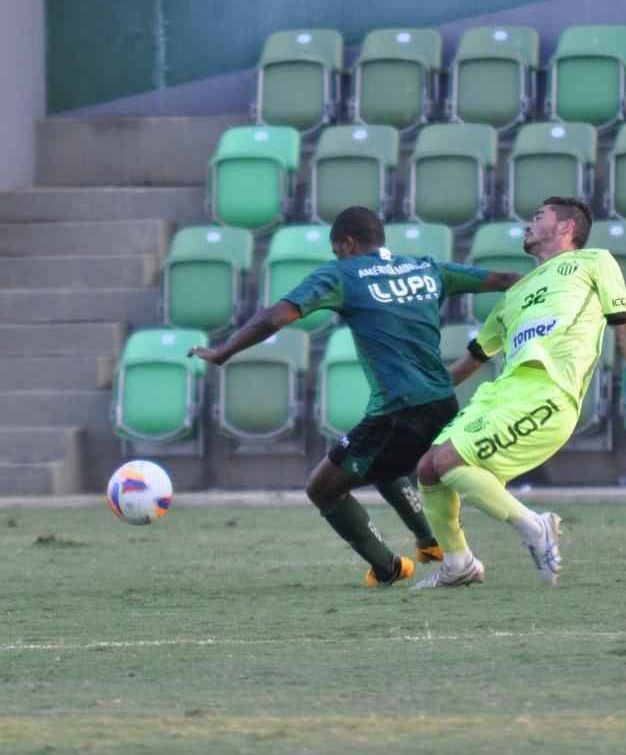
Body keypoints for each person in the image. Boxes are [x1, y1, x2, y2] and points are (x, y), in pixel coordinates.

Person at [189, 207, 520, 588]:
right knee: (385, 466)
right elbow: (503, 280)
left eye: (336, 250)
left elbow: (274, 317)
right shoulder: (426, 268)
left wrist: (223, 352)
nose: (337, 256)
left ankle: (388, 567)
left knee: (322, 488)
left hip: (397, 411)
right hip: (443, 403)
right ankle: (430, 541)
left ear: (346, 244)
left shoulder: (343, 274)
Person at [414, 197, 626, 589]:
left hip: (550, 391)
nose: (528, 224)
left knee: (450, 461)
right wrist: (423, 387)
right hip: (502, 392)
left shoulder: (593, 262)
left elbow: (625, 329)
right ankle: (459, 563)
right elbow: (474, 358)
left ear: (567, 227)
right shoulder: (515, 294)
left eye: (538, 216)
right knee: (428, 469)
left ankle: (535, 527)